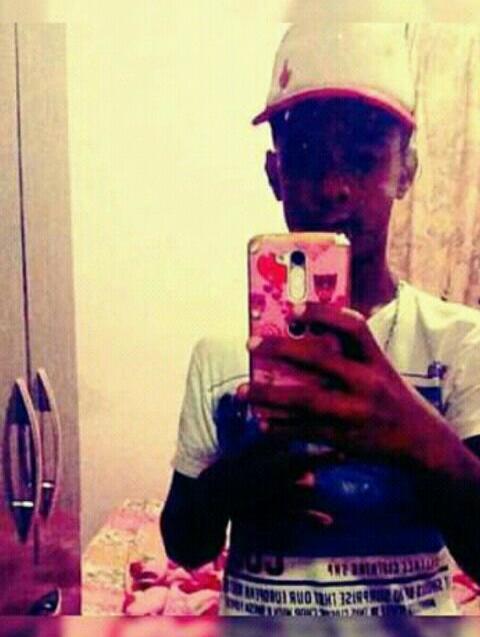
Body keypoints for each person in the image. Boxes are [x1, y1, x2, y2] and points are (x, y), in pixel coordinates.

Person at [161, 22, 480, 616]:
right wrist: (231, 485)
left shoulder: (461, 344)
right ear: (274, 174)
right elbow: (184, 546)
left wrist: (414, 429)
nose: (334, 188)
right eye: (306, 158)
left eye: (363, 160)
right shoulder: (223, 355)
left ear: (405, 172)